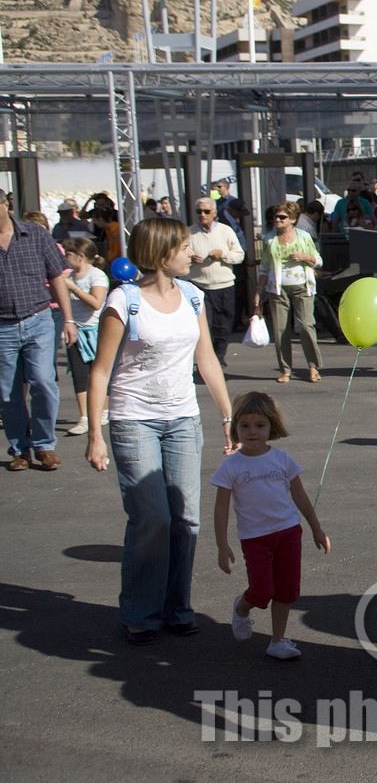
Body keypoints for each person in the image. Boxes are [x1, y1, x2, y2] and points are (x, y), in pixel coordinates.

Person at [84, 217, 235, 645]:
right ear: (161, 252)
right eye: (185, 247)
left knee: (186, 520)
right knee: (152, 518)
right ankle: (140, 613)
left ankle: (176, 607)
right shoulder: (124, 301)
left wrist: (227, 415)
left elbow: (206, 360)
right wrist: (96, 433)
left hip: (183, 420)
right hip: (134, 420)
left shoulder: (193, 296)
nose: (194, 253)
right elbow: (100, 372)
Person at [213, 391, 331, 660]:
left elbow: (299, 495)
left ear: (271, 426)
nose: (252, 432)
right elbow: (220, 508)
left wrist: (316, 527)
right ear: (235, 428)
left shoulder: (283, 459)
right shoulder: (230, 466)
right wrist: (222, 544)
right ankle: (242, 608)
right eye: (244, 426)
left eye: (260, 425)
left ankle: (278, 641)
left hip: (289, 532)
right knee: (261, 591)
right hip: (255, 538)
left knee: (286, 590)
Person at [0, 202, 77, 471]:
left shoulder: (35, 233)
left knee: (43, 381)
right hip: (2, 328)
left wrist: (68, 319)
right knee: (8, 393)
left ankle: (45, 445)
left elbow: (57, 276)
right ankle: (20, 449)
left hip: (39, 320)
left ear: (6, 205)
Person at [254, 202, 324, 384]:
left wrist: (305, 257)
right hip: (277, 288)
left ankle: (313, 366)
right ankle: (285, 369)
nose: (277, 220)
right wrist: (258, 292)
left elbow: (318, 260)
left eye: (282, 217)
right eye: (276, 217)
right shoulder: (269, 239)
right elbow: (264, 268)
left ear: (293, 219)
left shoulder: (303, 237)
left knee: (306, 326)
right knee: (280, 329)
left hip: (303, 286)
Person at [58, 237, 109, 437]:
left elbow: (96, 303)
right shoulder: (68, 275)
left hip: (96, 332)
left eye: (68, 255)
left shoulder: (96, 275)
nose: (65, 258)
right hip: (75, 331)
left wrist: (73, 288)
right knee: (80, 376)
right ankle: (85, 417)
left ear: (81, 256)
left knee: (98, 373)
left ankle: (103, 411)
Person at [187, 197, 245, 368]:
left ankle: (219, 356)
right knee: (204, 325)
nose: (202, 215)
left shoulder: (225, 231)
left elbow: (239, 255)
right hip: (199, 286)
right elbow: (179, 256)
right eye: (199, 212)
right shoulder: (190, 233)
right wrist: (190, 259)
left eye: (206, 211)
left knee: (224, 324)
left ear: (214, 213)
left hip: (223, 284)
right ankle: (207, 358)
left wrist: (223, 255)